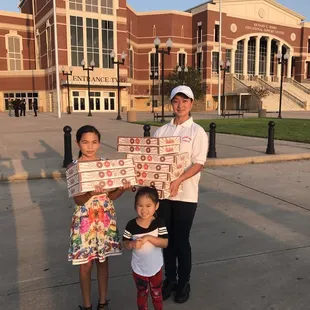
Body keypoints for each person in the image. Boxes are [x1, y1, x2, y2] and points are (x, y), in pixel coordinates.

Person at [153, 85, 208, 304]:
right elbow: (152, 162)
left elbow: (199, 163)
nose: (180, 105)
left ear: (191, 104)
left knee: (181, 241)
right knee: (167, 240)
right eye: (176, 101)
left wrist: (178, 180)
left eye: (185, 101)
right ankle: (170, 280)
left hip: (185, 196)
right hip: (164, 196)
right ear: (171, 103)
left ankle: (184, 282)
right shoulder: (162, 131)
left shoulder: (197, 132)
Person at [68, 125, 131, 310]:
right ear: (77, 143)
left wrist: (121, 188)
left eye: (94, 142)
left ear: (99, 143)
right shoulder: (73, 167)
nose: (89, 146)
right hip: (85, 220)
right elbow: (78, 200)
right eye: (85, 142)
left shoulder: (105, 165)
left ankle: (103, 302)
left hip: (105, 219)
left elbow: (111, 196)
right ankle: (87, 305)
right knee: (85, 264)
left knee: (103, 262)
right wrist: (89, 193)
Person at [122, 186, 168, 310]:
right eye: (140, 205)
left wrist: (148, 238)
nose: (144, 210)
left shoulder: (159, 223)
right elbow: (124, 243)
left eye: (148, 205)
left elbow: (164, 243)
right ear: (135, 205)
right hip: (139, 269)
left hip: (155, 267)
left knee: (157, 293)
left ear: (156, 206)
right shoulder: (131, 225)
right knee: (142, 293)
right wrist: (131, 244)